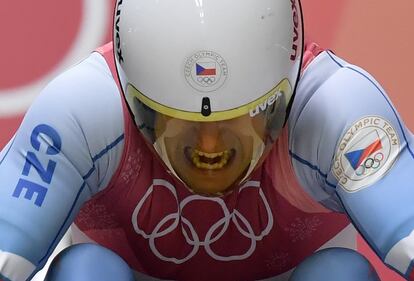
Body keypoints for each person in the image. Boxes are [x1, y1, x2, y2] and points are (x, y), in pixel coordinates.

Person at [0, 0, 413, 280]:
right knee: (86, 272)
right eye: (172, 120)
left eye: (247, 116)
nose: (210, 148)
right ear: (129, 93)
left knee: (339, 275)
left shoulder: (340, 110)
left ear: (288, 89)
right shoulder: (80, 109)